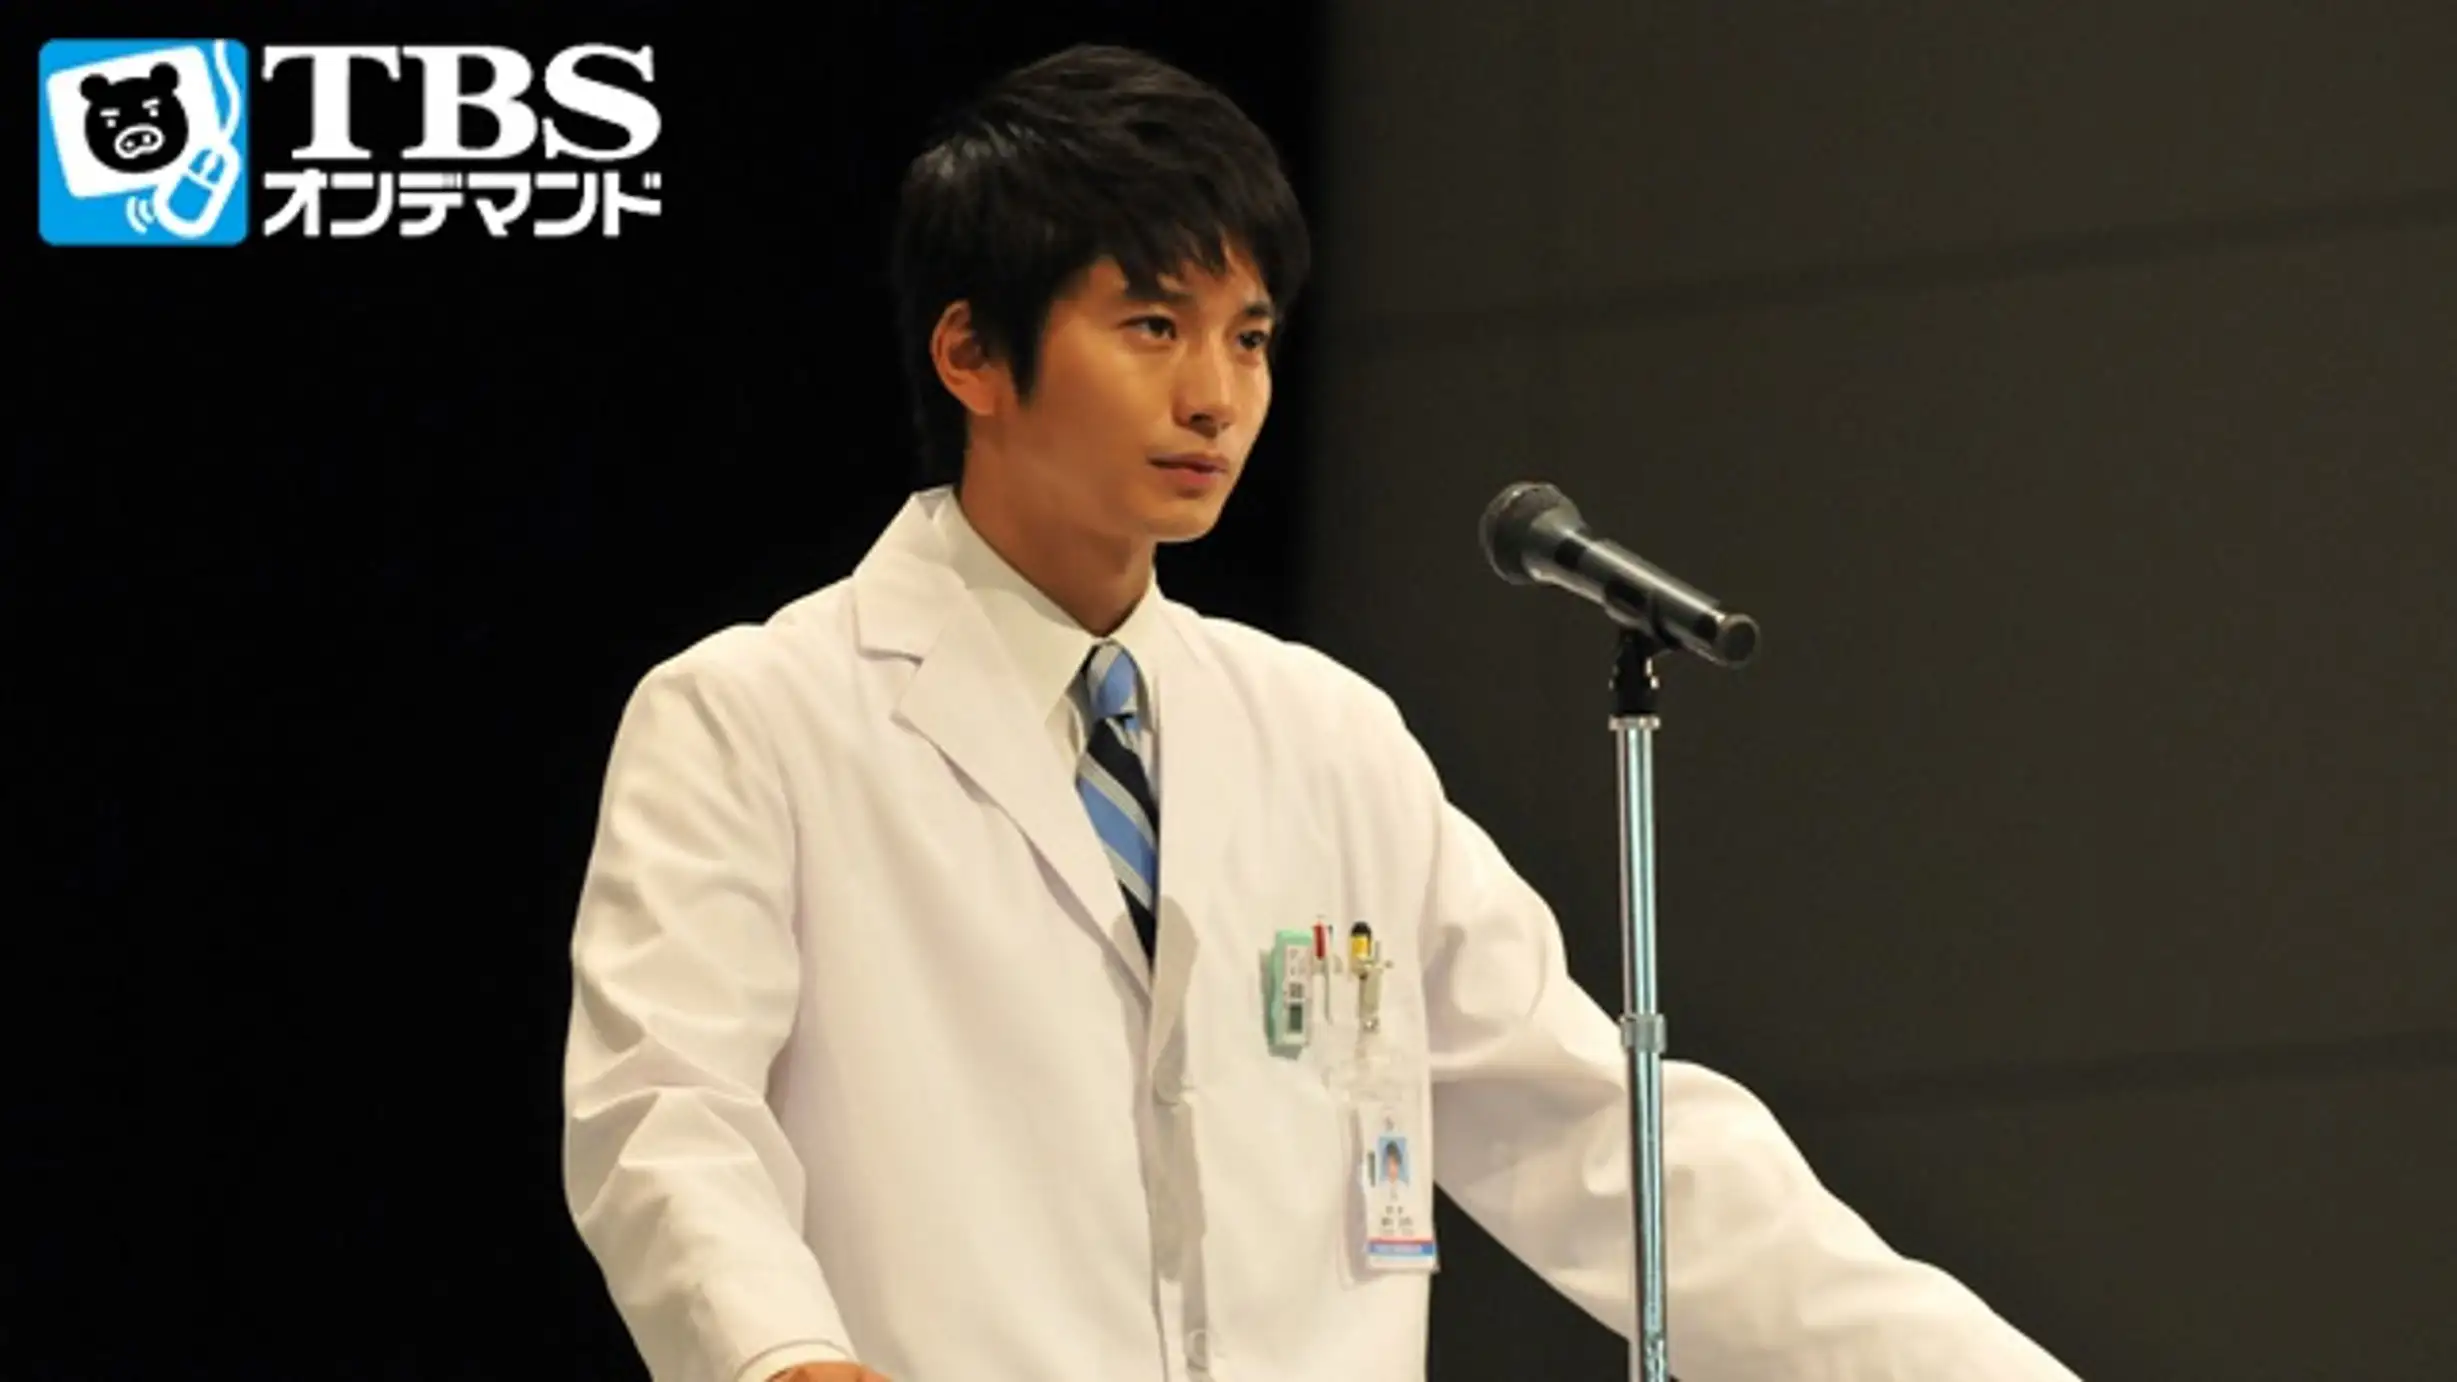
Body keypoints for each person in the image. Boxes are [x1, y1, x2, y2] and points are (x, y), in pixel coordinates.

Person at [560, 42, 2082, 1382]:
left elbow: (1601, 1139)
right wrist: (778, 1354)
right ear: (971, 353)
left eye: (1250, 335)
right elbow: (662, 1111)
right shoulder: (753, 718)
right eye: (1152, 326)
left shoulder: (1328, 738)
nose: (1216, 396)